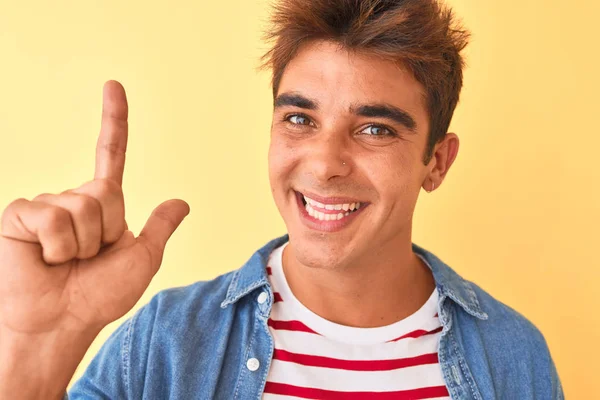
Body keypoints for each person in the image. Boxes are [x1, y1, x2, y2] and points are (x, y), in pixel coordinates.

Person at [0, 0, 563, 399]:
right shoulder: (165, 344)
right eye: (299, 118)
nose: (323, 163)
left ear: (436, 162)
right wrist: (33, 355)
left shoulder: (513, 357)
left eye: (375, 129)